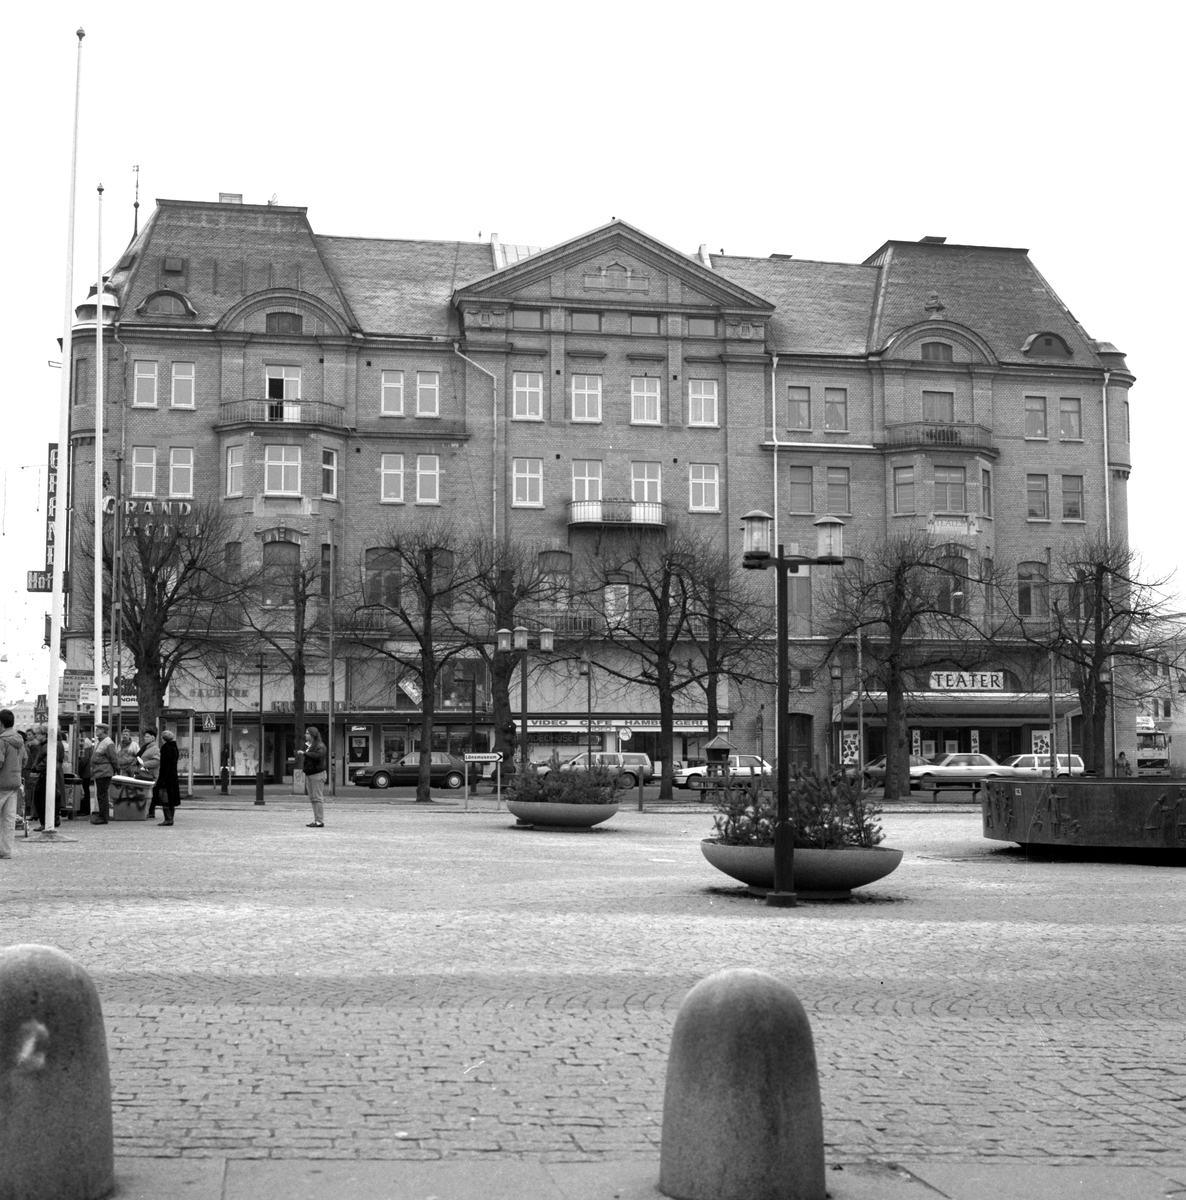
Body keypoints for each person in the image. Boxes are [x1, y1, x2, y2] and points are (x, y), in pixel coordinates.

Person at [0, 709, 29, 859]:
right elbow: (25, 761)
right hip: (14, 783)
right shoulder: (20, 741)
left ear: (1, 724)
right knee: (9, 819)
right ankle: (6, 851)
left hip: (1, 784)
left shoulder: (2, 741)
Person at [90, 724, 120, 824]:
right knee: (101, 795)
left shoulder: (107, 742)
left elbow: (114, 758)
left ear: (104, 730)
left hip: (104, 771)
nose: (96, 730)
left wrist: (116, 769)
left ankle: (103, 817)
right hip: (101, 771)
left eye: (99, 729)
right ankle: (103, 816)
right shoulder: (102, 742)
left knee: (102, 795)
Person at [303, 727, 327, 827]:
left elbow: (318, 756)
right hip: (310, 774)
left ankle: (319, 821)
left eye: (307, 733)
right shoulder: (309, 746)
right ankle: (316, 820)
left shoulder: (320, 746)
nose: (305, 735)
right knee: (313, 798)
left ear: (313, 735)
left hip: (317, 774)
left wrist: (305, 753)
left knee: (317, 798)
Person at [157, 730, 181, 826]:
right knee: (171, 797)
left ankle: (168, 818)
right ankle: (171, 817)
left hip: (167, 776)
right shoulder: (174, 747)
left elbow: (165, 765)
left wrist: (162, 779)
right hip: (173, 775)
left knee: (165, 797)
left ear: (163, 739)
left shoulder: (165, 748)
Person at [139, 728, 161, 816]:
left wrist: (144, 764)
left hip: (151, 774)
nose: (145, 738)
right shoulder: (145, 747)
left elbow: (157, 761)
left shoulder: (155, 749)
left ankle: (151, 811)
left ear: (153, 738)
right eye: (145, 737)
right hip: (145, 774)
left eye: (147, 737)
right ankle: (148, 811)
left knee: (151, 793)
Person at [77, 735, 94, 817]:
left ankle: (84, 809)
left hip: (84, 771)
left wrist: (78, 769)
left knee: (84, 790)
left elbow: (83, 758)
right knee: (85, 789)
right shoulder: (87, 741)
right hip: (86, 770)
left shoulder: (84, 742)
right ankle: (85, 809)